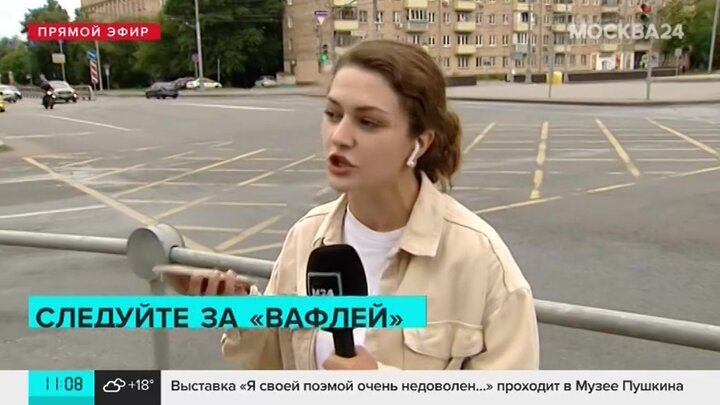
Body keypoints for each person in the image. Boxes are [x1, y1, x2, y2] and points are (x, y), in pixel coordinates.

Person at [165, 39, 540, 370]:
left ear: (419, 143)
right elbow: (275, 364)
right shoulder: (307, 237)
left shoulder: (480, 260)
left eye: (368, 122)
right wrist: (240, 311)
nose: (340, 136)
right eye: (333, 114)